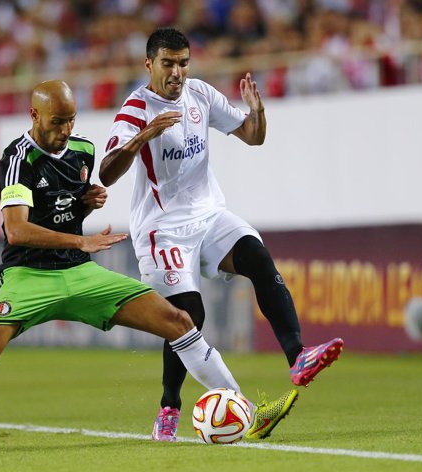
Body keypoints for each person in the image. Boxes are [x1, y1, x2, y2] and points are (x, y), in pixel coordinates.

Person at [0, 80, 297, 461]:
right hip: (29, 277)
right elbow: (17, 231)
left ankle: (247, 414)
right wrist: (81, 237)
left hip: (80, 272)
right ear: (34, 117)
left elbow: (65, 200)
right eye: (57, 122)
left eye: (71, 120)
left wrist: (84, 201)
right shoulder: (16, 159)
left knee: (180, 322)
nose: (65, 129)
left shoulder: (81, 150)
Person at [99, 28, 344, 442]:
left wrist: (257, 112)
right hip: (162, 230)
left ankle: (298, 355)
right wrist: (146, 134)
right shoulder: (135, 108)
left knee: (257, 255)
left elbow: (253, 136)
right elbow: (106, 173)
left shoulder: (201, 95)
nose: (177, 72)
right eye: (168, 64)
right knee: (187, 317)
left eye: (183, 62)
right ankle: (169, 407)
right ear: (149, 65)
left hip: (207, 214)